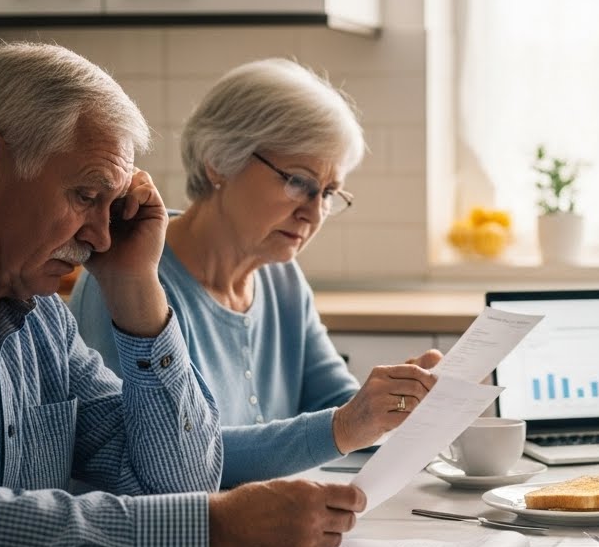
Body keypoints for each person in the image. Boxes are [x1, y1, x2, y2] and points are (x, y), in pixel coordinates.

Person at [0, 43, 402, 547]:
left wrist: (136, 291)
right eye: (85, 196)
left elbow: (180, 478)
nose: (103, 238)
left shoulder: (37, 312)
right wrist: (219, 528)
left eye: (113, 207)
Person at [68, 58, 439, 488]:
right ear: (218, 162)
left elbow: (336, 402)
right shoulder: (129, 273)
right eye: (299, 182)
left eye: (329, 193)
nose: (314, 212)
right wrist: (346, 424)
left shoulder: (280, 277)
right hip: (176, 539)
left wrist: (396, 400)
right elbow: (161, 461)